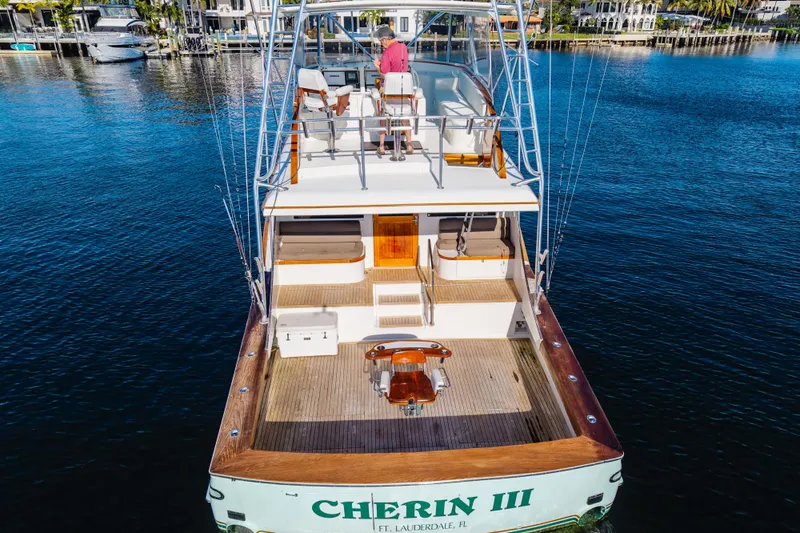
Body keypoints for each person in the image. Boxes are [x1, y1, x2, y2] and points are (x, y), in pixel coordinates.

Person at [372, 25, 413, 156]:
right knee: (405, 115)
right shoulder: (404, 48)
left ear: (385, 39)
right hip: (403, 89)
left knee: (382, 114)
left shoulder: (387, 52)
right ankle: (409, 145)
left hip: (389, 91)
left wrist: (377, 66)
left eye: (380, 41)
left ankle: (382, 146)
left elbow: (384, 74)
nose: (380, 43)